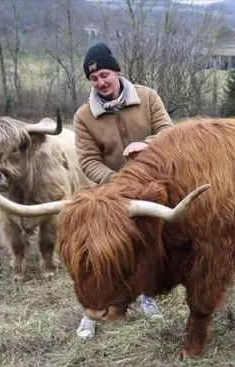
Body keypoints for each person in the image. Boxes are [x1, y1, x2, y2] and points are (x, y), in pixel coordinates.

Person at [72, 42, 173, 339]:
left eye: (104, 74)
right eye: (93, 79)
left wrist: (148, 144)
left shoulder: (147, 97)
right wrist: (115, 183)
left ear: (116, 71)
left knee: (151, 247)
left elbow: (169, 132)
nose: (101, 82)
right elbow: (88, 160)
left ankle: (147, 296)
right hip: (110, 194)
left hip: (152, 188)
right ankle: (90, 312)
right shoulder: (83, 117)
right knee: (100, 254)